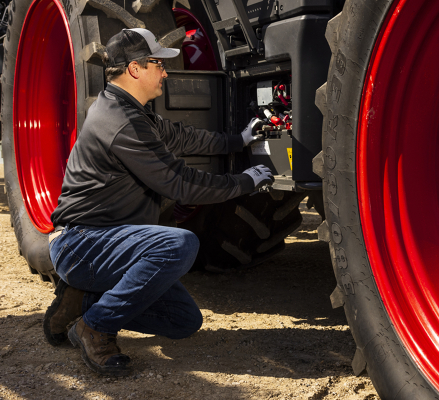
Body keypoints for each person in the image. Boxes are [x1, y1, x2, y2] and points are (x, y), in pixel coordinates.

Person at [44, 28, 273, 377]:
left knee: (183, 321)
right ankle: (94, 326)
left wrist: (238, 140)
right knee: (179, 244)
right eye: (157, 64)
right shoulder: (121, 122)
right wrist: (246, 182)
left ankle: (85, 299)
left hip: (109, 241)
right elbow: (180, 184)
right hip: (81, 242)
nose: (165, 72)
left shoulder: (130, 111)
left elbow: (180, 136)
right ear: (135, 69)